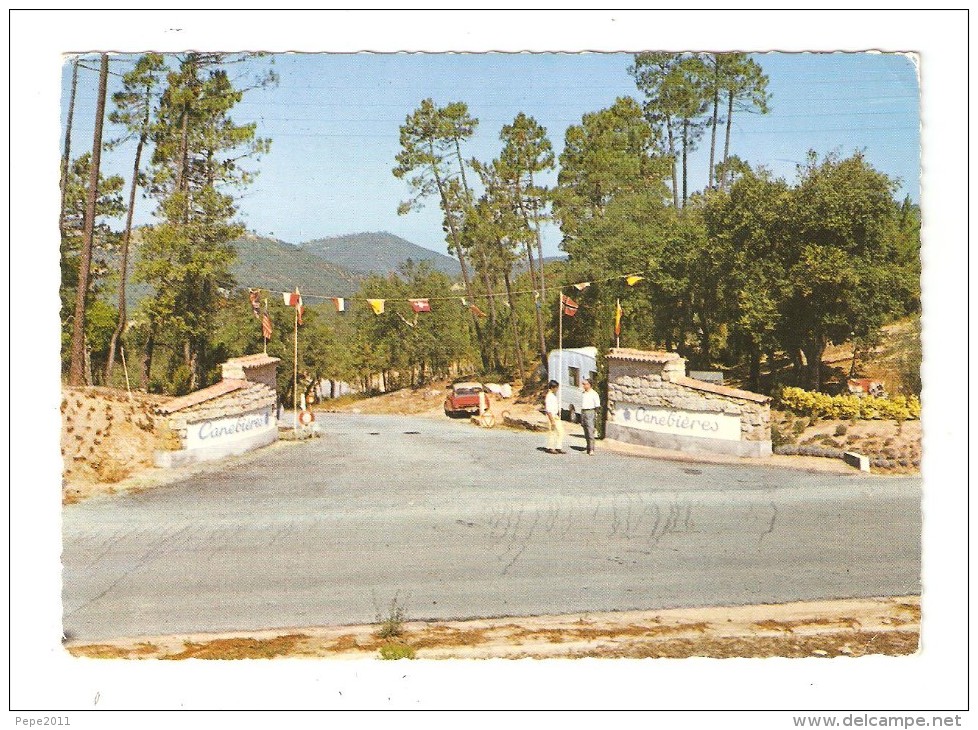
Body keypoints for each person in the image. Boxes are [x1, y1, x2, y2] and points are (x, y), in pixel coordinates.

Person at [544, 379, 565, 454]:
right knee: (552, 432)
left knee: (560, 431)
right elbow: (548, 410)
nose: (557, 389)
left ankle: (558, 447)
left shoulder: (553, 395)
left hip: (555, 416)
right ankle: (550, 447)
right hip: (551, 416)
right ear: (552, 388)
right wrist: (551, 420)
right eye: (556, 388)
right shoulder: (549, 396)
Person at [580, 378, 601, 455]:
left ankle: (592, 449)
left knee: (590, 430)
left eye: (585, 384)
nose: (583, 386)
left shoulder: (594, 394)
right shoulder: (584, 393)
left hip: (590, 411)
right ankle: (588, 447)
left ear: (589, 385)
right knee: (585, 430)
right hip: (583, 411)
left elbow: (597, 406)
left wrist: (596, 415)